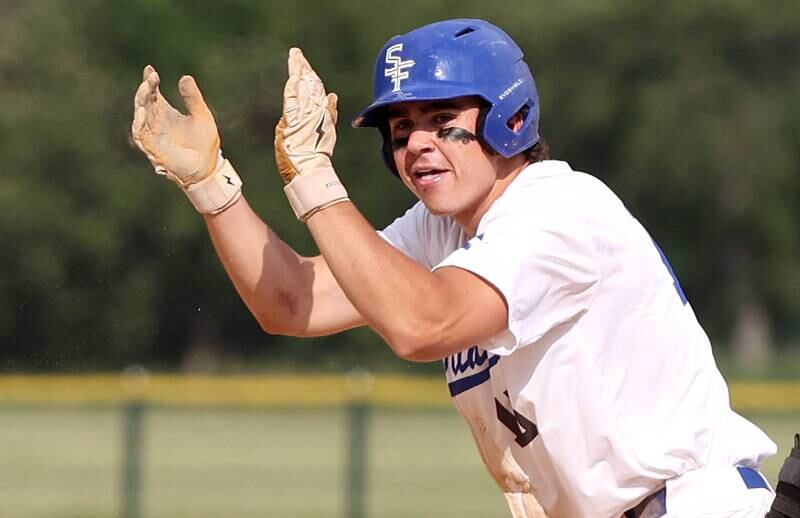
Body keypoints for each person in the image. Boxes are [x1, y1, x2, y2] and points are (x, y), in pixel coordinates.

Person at [132, 18, 779, 518]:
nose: (416, 143)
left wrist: (315, 181)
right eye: (401, 128)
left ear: (509, 117)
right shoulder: (444, 228)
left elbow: (422, 324)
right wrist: (213, 186)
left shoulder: (556, 208)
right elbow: (292, 301)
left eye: (442, 120)